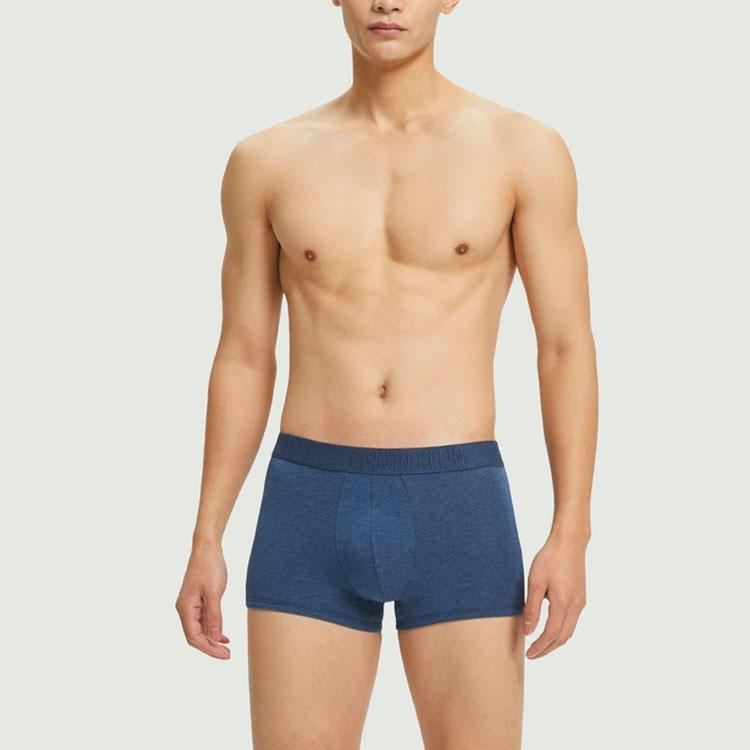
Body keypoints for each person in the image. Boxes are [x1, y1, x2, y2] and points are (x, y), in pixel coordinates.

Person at [176, 1, 598, 747]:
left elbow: (564, 347)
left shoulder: (521, 151)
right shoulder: (267, 161)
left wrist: (572, 532)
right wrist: (206, 535)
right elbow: (242, 353)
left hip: (458, 504)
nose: (387, 2)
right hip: (308, 502)